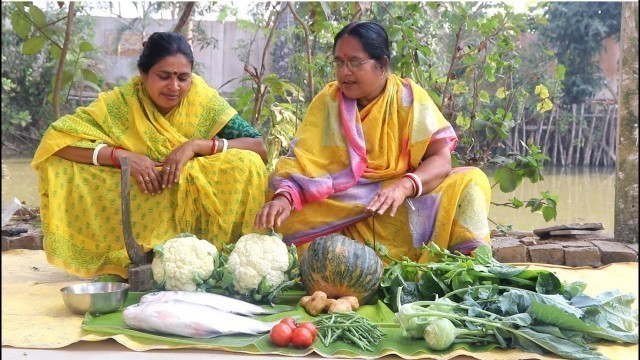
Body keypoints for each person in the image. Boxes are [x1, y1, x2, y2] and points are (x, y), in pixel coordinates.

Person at [31, 32, 268, 279]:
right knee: (61, 165)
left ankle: (217, 254)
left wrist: (195, 146)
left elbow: (258, 147)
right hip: (143, 199)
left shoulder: (202, 101)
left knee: (246, 162)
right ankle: (134, 253)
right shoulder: (122, 104)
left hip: (195, 205)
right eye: (164, 76)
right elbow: (56, 143)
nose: (174, 87)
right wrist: (122, 157)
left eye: (183, 78)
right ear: (143, 75)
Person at [254, 21, 491, 263]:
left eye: (356, 63)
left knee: (472, 181)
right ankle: (339, 265)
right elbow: (303, 162)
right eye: (339, 63)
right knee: (280, 215)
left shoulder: (409, 98)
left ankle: (471, 265)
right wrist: (285, 197)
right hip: (341, 206)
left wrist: (404, 186)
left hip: (398, 203)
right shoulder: (328, 101)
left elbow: (441, 159)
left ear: (382, 64)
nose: (345, 72)